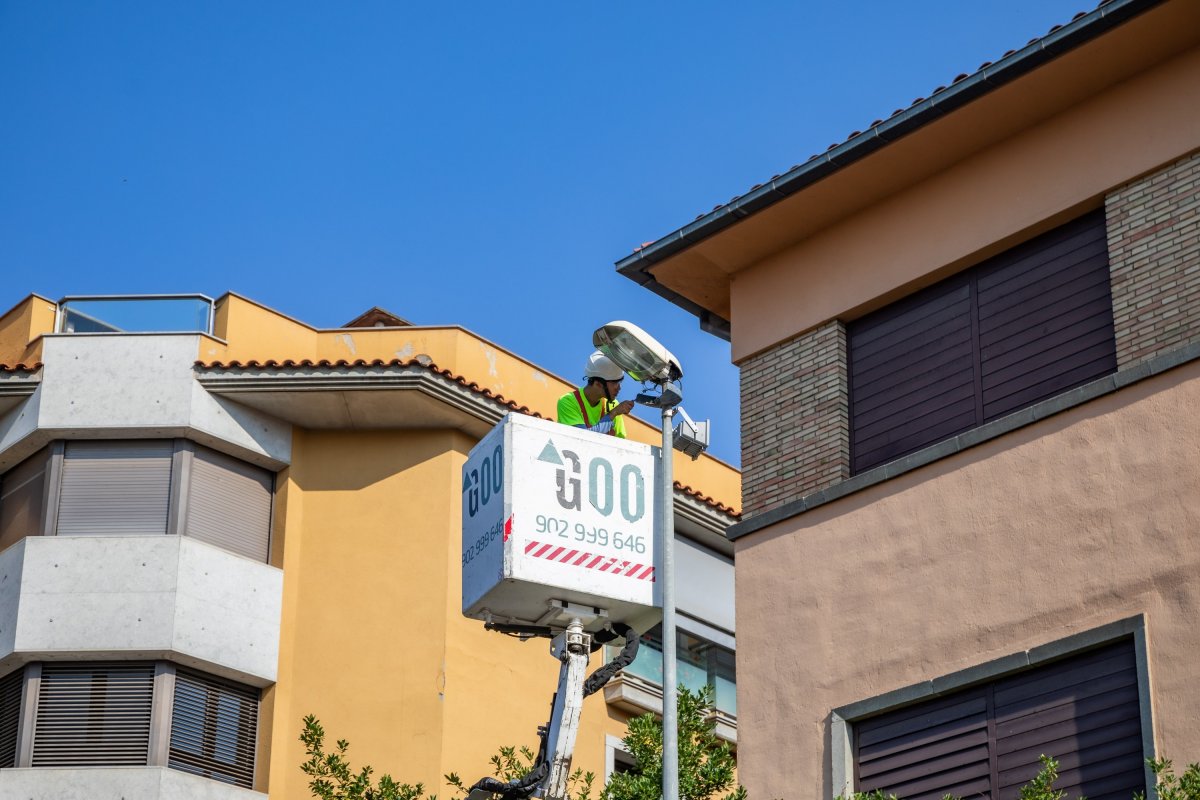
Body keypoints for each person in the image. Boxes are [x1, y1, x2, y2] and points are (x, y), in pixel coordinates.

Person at [557, 351, 635, 438]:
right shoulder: (567, 401)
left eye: (620, 382)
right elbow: (582, 439)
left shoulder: (614, 405)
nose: (619, 388)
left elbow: (620, 444)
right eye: (614, 383)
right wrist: (613, 413)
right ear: (598, 383)